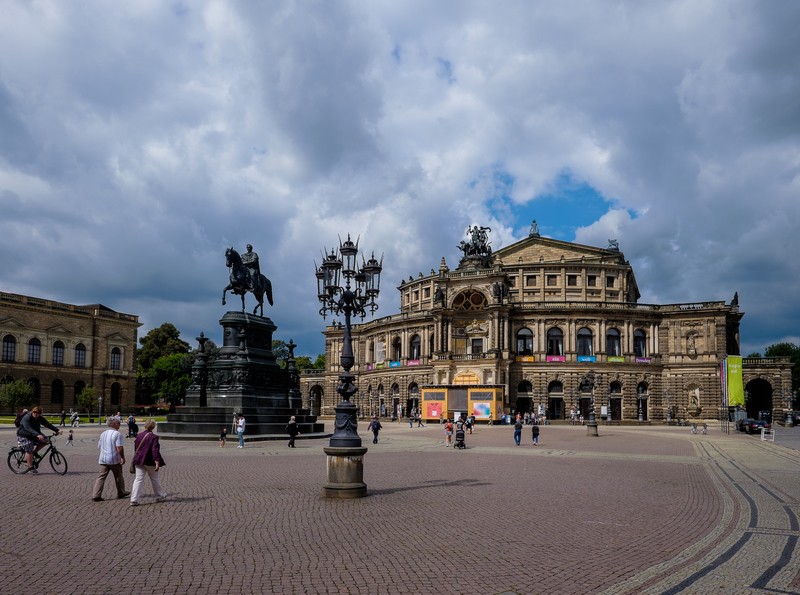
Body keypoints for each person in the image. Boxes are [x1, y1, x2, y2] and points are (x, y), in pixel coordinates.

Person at [130, 419, 167, 506]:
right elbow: (155, 450)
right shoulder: (153, 437)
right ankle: (159, 495)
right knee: (154, 479)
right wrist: (157, 461)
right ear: (153, 427)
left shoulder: (139, 436)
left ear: (145, 426)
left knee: (138, 479)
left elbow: (136, 448)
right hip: (149, 461)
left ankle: (134, 499)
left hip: (139, 460)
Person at [92, 418, 129, 501]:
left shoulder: (103, 434)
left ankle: (96, 494)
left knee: (101, 477)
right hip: (113, 459)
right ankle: (121, 492)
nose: (119, 425)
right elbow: (119, 447)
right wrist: (122, 457)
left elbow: (99, 446)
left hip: (103, 459)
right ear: (113, 424)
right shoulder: (117, 434)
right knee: (118, 476)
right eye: (118, 423)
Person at [16, 406, 60, 474]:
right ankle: (30, 467)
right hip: (24, 435)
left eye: (38, 413)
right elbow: (28, 428)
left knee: (46, 440)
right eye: (34, 412)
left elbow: (47, 424)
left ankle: (35, 452)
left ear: (40, 413)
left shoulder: (39, 418)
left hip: (34, 434)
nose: (36, 414)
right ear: (32, 411)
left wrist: (57, 430)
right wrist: (37, 435)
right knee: (29, 449)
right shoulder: (27, 417)